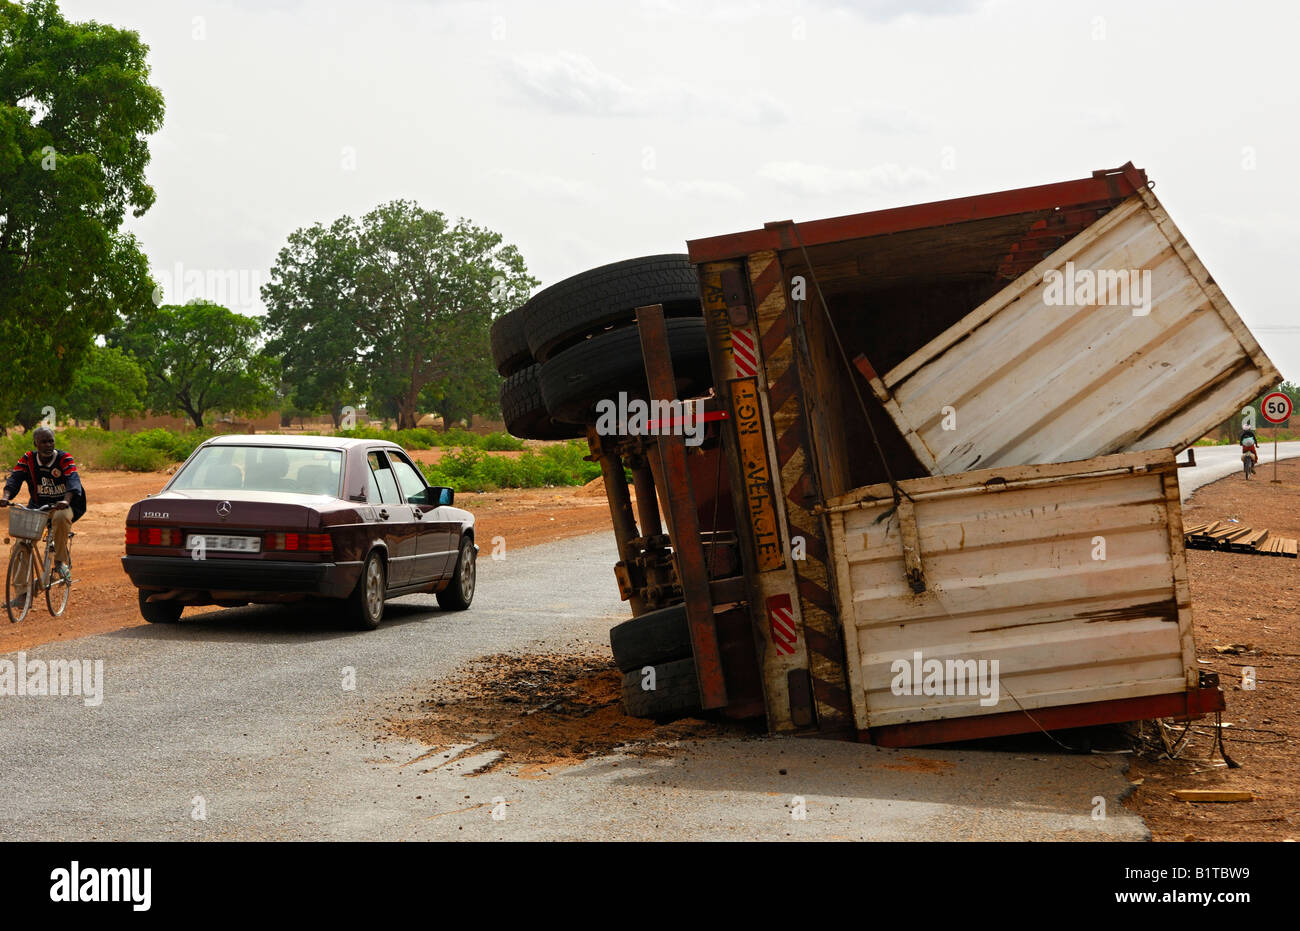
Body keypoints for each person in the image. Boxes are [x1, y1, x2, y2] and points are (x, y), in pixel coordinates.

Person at [0, 426, 86, 608]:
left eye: (51, 441)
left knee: (61, 517)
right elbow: (14, 479)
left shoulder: (64, 458)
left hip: (64, 505)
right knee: (22, 544)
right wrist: (6, 497)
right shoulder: (28, 459)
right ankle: (23, 595)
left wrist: (65, 500)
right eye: (43, 441)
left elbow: (73, 481)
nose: (48, 445)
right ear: (35, 444)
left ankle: (60, 562)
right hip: (39, 506)